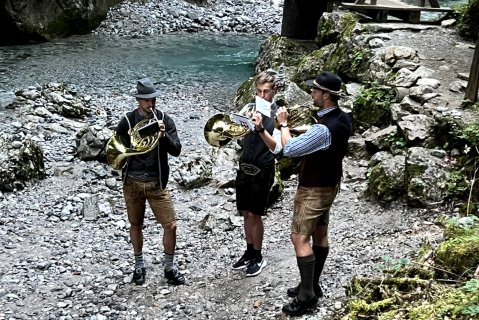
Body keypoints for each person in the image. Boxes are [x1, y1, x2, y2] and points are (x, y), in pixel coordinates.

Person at [276, 71, 351, 316]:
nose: (311, 93)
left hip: (313, 189)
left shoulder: (323, 129)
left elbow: (290, 149)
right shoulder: (343, 119)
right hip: (330, 185)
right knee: (320, 232)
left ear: (327, 96)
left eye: (315, 90)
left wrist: (284, 124)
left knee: (299, 238)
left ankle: (306, 296)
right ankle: (312, 284)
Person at [115, 77, 185, 286]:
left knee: (171, 225)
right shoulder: (127, 121)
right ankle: (139, 266)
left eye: (153, 99)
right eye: (146, 100)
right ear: (138, 100)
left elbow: (177, 150)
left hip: (157, 182)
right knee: (136, 224)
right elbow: (117, 149)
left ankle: (169, 267)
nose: (150, 104)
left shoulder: (165, 119)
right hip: (133, 182)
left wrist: (163, 136)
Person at [231, 70, 283, 277]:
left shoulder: (279, 115)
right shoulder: (248, 108)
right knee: (244, 212)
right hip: (244, 165)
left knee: (255, 213)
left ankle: (259, 255)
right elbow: (238, 130)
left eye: (266, 92)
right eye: (259, 92)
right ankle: (249, 250)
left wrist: (261, 129)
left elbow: (276, 147)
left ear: (274, 91)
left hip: (262, 168)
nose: (262, 96)